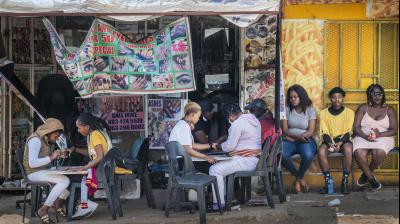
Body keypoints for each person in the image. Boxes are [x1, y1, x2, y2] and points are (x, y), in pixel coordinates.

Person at [209, 104, 262, 211]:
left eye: (228, 118)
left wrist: (218, 146)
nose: (229, 120)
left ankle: (218, 204)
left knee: (214, 170)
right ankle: (222, 200)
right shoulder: (253, 119)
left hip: (246, 160)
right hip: (254, 159)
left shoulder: (237, 123)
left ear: (231, 116)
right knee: (220, 168)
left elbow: (229, 146)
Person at [23, 118, 70, 224]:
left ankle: (57, 203)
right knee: (64, 181)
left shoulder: (46, 140)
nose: (56, 139)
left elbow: (46, 159)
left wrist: (58, 155)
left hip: (42, 171)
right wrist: (51, 157)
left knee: (70, 178)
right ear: (48, 132)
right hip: (33, 173)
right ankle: (44, 209)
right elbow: (32, 163)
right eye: (55, 136)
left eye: (58, 137)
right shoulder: (35, 140)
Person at [66, 113, 113, 218]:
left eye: (79, 128)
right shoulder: (94, 134)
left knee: (76, 178)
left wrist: (83, 168)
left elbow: (100, 156)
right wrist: (75, 149)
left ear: (87, 127)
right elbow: (92, 152)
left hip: (103, 170)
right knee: (80, 175)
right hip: (105, 168)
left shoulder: (95, 135)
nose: (78, 131)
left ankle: (84, 205)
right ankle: (84, 203)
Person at [353, 84, 397, 191]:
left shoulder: (389, 110)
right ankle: (372, 179)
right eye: (374, 94)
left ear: (383, 96)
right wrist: (365, 136)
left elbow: (394, 130)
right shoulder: (363, 108)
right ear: (369, 96)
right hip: (362, 136)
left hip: (383, 137)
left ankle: (366, 175)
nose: (377, 96)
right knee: (359, 153)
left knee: (380, 152)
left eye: (380, 94)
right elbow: (356, 127)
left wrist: (380, 134)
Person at [318, 87, 354, 194]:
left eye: (339, 97)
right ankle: (328, 180)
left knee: (348, 149)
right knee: (321, 151)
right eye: (334, 97)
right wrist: (330, 143)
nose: (337, 100)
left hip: (343, 140)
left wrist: (340, 143)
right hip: (329, 140)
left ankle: (345, 180)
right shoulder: (323, 113)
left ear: (343, 98)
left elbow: (348, 131)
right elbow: (324, 131)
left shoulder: (349, 112)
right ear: (330, 99)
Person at [281, 84, 317, 193]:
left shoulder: (310, 110)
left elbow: (311, 131)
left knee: (308, 155)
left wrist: (302, 137)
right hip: (290, 140)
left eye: (295, 97)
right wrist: (296, 137)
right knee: (282, 154)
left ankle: (297, 179)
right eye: (291, 97)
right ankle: (299, 178)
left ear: (301, 97)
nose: (293, 99)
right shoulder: (286, 110)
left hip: (305, 140)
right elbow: (285, 130)